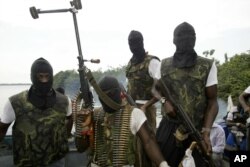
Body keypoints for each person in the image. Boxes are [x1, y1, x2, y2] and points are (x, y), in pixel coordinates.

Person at [153, 22, 218, 167]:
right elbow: (155, 89)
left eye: (190, 36)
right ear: (174, 40)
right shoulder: (163, 64)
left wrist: (206, 132)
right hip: (170, 128)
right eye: (181, 37)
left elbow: (213, 101)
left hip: (197, 131)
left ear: (195, 39)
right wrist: (164, 102)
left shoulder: (207, 65)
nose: (185, 40)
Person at [80, 76, 169, 167]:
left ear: (119, 93)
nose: (107, 99)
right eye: (103, 95)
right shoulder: (95, 115)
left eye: (110, 94)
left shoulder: (134, 114)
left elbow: (148, 141)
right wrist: (82, 126)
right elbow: (81, 147)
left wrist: (163, 164)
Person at [0, 58, 72, 166]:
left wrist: (62, 138)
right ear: (32, 77)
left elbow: (69, 119)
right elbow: (2, 129)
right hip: (27, 162)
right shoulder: (15, 102)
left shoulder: (65, 101)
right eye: (40, 76)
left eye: (47, 76)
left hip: (56, 160)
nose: (44, 81)